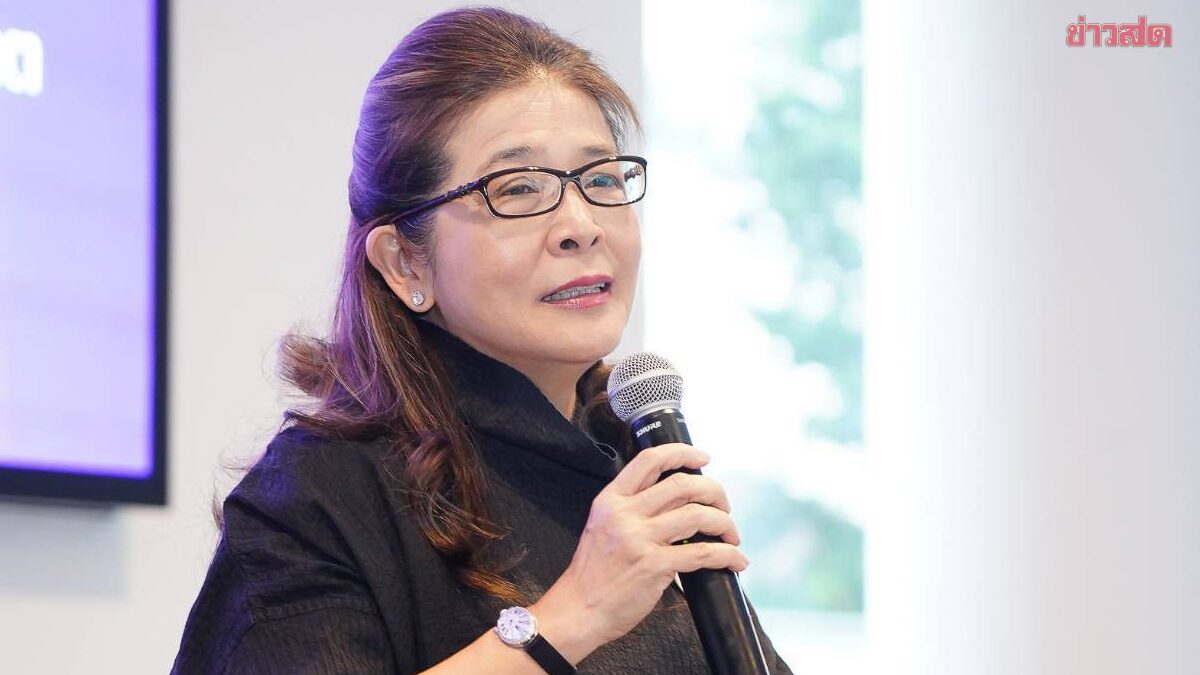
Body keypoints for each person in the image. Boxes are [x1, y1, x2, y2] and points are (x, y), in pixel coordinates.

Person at [172, 7, 792, 674]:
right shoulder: (317, 498)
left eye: (601, 180)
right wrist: (577, 613)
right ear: (406, 263)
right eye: (518, 189)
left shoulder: (632, 463)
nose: (581, 225)